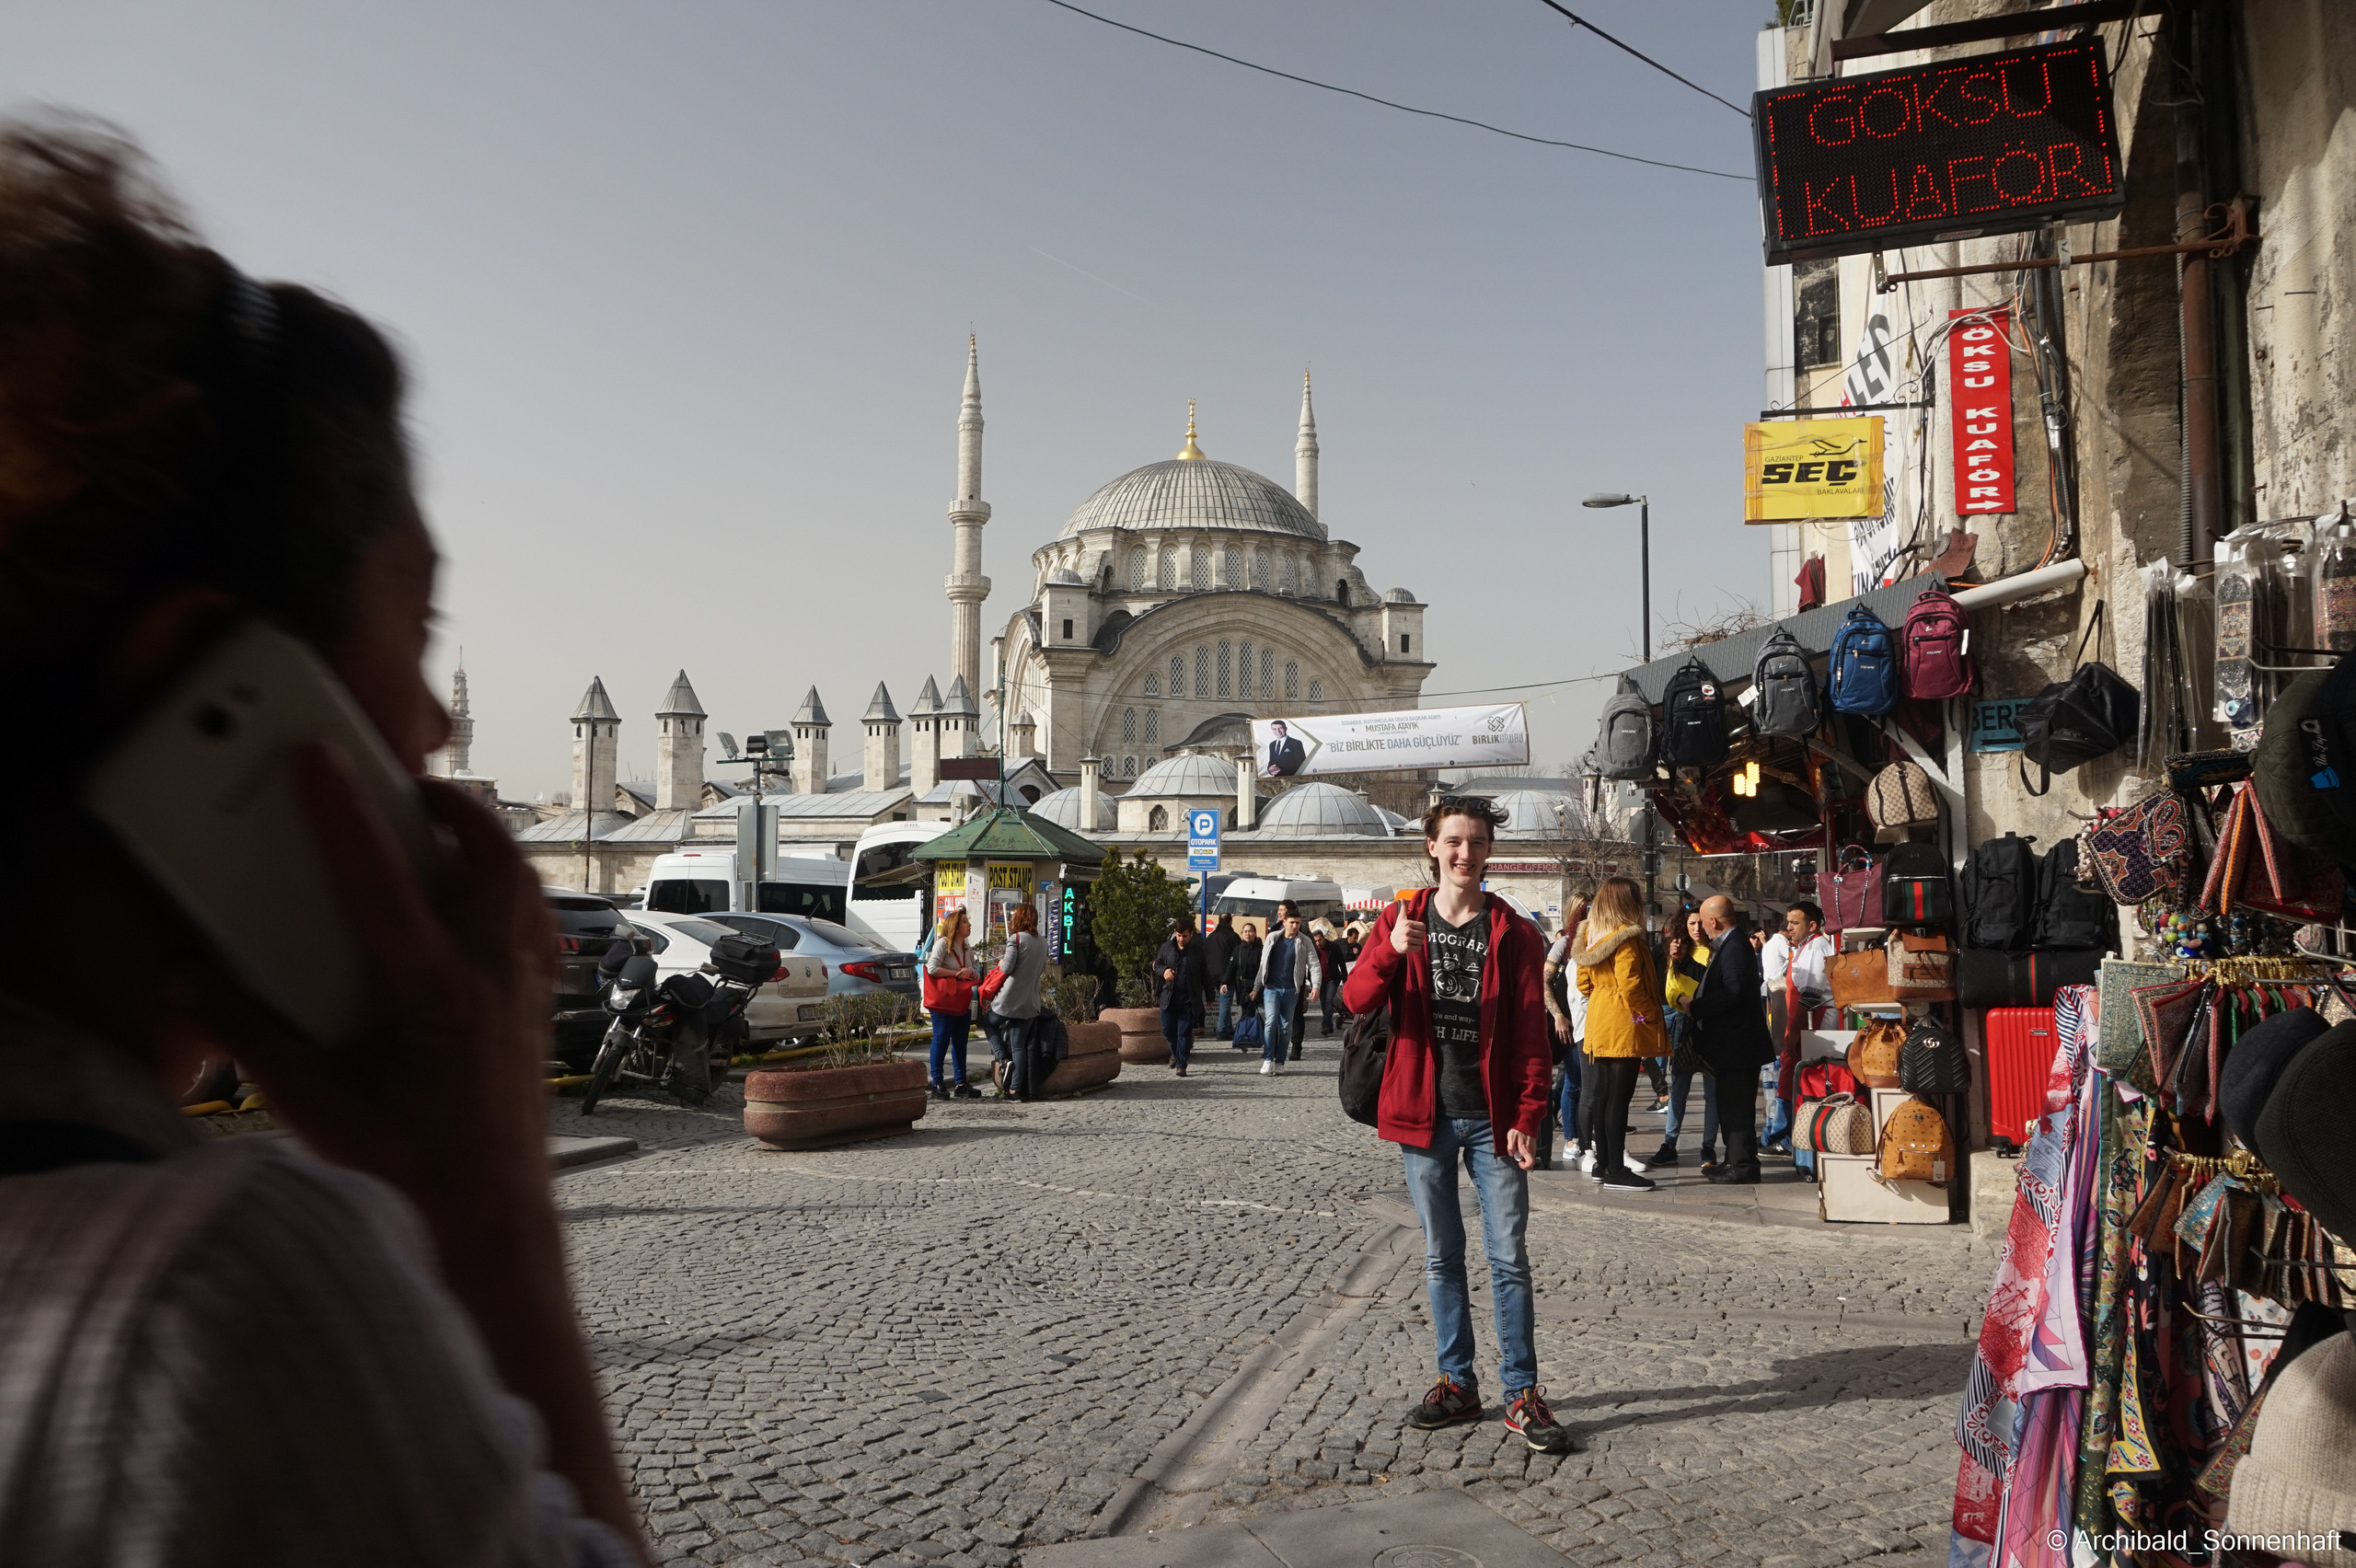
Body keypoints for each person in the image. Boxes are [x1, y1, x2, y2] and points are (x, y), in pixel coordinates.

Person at [0, 123, 641, 1563]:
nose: (433, 727)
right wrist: (483, 1205)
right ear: (202, 686)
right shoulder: (210, 1293)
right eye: (414, 630)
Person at [1342, 796, 1572, 1454]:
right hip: (1425, 1116)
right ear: (1432, 848)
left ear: (1488, 850)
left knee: (1509, 1259)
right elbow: (1354, 1000)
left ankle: (1521, 1393)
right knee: (1442, 1255)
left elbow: (1531, 1035)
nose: (1465, 853)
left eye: (1475, 842)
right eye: (1454, 841)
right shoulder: (1401, 919)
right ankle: (1458, 1382)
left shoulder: (1514, 932)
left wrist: (1529, 1114)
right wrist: (1388, 953)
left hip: (1493, 1119)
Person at [1569, 879, 1671, 1193]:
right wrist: (1650, 1013)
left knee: (1602, 1094)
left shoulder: (1590, 936)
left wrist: (1603, 992)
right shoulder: (1626, 938)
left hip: (1598, 1017)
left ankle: (1602, 1164)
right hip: (1623, 1020)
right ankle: (1616, 1169)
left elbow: (1583, 983)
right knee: (1619, 1096)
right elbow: (1631, 985)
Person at [1680, 896, 1776, 1184]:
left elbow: (1733, 992)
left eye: (1703, 922)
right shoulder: (1729, 944)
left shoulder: (1734, 946)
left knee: (1737, 1107)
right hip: (1730, 1046)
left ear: (1712, 921)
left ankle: (1743, 1165)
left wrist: (1697, 1007)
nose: (1701, 928)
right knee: (1729, 1105)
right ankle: (1733, 1159)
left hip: (1738, 1045)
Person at [1650, 907, 1722, 1170]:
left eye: (1701, 923)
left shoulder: (1716, 951)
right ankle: (1669, 1143)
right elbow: (1670, 987)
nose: (1697, 928)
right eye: (1692, 923)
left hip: (1711, 1023)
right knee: (1679, 1087)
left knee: (1712, 1092)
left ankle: (1708, 1147)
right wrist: (1683, 1000)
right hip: (1685, 1021)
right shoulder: (1679, 952)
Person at [1542, 897, 1589, 1166]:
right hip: (1569, 1023)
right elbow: (1544, 981)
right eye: (1584, 910)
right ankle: (1571, 1140)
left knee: (1586, 1082)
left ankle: (1585, 1137)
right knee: (1574, 1080)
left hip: (1590, 1020)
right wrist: (1558, 1015)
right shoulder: (1564, 944)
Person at [1249, 907, 1320, 1074]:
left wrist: (1316, 985)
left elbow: (1314, 964)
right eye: (1292, 922)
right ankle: (1268, 1059)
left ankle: (1280, 1062)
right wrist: (1256, 987)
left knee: (1286, 1027)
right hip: (1271, 988)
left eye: (1298, 923)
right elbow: (1263, 964)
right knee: (1271, 1022)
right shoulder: (1273, 938)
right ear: (1284, 922)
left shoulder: (1304, 941)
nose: (1295, 926)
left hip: (1291, 990)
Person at [991, 904, 1050, 1100]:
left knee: (989, 1023)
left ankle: (1002, 1059)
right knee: (1019, 1045)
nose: (1011, 919)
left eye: (1014, 915)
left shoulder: (1016, 939)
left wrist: (1000, 962)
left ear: (1020, 918)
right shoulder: (1043, 942)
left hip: (1009, 1000)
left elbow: (1006, 968)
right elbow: (1042, 970)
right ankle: (1015, 1090)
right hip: (1031, 1002)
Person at [923, 909, 982, 1100]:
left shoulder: (967, 948)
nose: (969, 925)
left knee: (960, 1041)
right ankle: (937, 1083)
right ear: (955, 927)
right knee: (941, 1039)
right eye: (965, 922)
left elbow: (976, 972)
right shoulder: (943, 944)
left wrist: (969, 972)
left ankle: (961, 1083)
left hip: (961, 1001)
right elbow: (931, 968)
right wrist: (955, 974)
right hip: (943, 1001)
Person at [1151, 918, 1212, 1078]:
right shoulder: (1166, 947)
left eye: (1184, 936)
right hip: (1169, 996)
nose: (1181, 939)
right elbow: (1157, 964)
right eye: (1178, 935)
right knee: (1167, 1031)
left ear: (1191, 934)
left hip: (1189, 998)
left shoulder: (1198, 951)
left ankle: (1181, 1064)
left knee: (1184, 1032)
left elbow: (1206, 974)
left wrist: (1210, 996)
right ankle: (1175, 1053)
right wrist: (1164, 971)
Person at [1227, 920, 1263, 1051]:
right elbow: (1231, 967)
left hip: (1257, 985)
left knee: (1253, 1012)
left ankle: (1250, 1037)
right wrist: (1225, 982)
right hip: (1242, 986)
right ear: (1242, 934)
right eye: (1245, 931)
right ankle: (1246, 1037)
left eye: (1251, 931)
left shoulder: (1260, 949)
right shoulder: (1238, 949)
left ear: (1255, 933)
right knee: (1247, 1011)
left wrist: (1257, 988)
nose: (1248, 934)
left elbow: (1263, 969)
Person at [1203, 912, 1240, 1039]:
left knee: (1224, 1001)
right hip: (1227, 974)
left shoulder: (1211, 937)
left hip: (1212, 973)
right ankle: (1222, 1031)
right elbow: (1238, 955)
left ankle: (1228, 1029)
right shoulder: (1233, 936)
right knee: (1225, 1002)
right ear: (1230, 922)